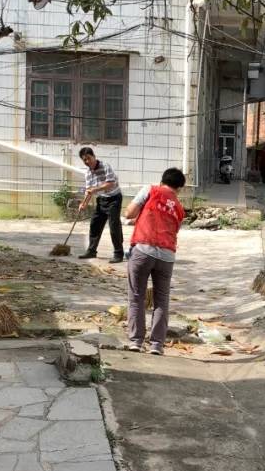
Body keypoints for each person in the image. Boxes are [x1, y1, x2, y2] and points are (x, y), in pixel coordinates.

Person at [124, 167, 187, 355]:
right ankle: (157, 345)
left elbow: (129, 213)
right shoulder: (179, 208)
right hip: (167, 257)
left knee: (136, 296)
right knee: (162, 300)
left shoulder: (150, 190)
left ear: (162, 181)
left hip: (143, 250)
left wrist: (138, 216)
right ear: (179, 188)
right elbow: (171, 228)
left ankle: (136, 341)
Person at [78, 147, 124, 263]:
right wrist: (84, 204)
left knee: (114, 226)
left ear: (94, 156)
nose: (87, 161)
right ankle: (91, 251)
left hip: (114, 199)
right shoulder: (88, 173)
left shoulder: (105, 166)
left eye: (89, 158)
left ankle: (118, 254)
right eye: (84, 160)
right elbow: (89, 190)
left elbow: (110, 183)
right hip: (101, 199)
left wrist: (95, 189)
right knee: (94, 224)